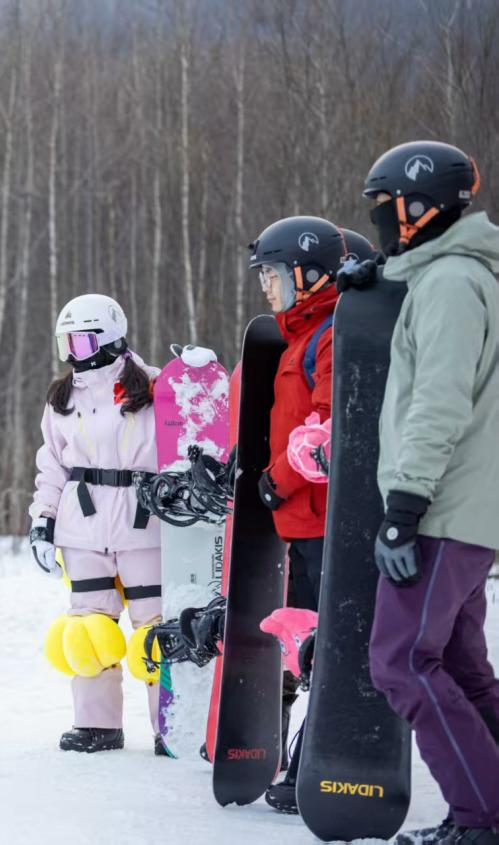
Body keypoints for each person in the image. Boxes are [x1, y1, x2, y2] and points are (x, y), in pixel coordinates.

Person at [345, 140, 499, 845]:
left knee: (401, 661)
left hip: (440, 508)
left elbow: (439, 401)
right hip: (467, 509)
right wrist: (377, 274)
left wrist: (404, 507)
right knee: (462, 666)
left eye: (385, 207)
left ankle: (481, 816)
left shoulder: (450, 286)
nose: (379, 219)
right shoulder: (462, 275)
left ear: (419, 207)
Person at [245, 214, 357, 812]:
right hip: (300, 520)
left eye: (274, 275)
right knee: (308, 642)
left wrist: (277, 480)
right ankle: (302, 756)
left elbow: (331, 430)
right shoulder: (302, 336)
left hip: (322, 518)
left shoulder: (332, 335)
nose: (267, 288)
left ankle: (318, 761)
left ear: (309, 275)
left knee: (325, 645)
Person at [28, 294, 163, 754]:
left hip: (143, 521)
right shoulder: (62, 398)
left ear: (110, 338)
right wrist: (43, 522)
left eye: (82, 342)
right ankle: (97, 724)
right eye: (66, 343)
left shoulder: (155, 387)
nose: (73, 354)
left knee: (155, 628)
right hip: (82, 524)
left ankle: (171, 723)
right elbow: (51, 464)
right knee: (88, 626)